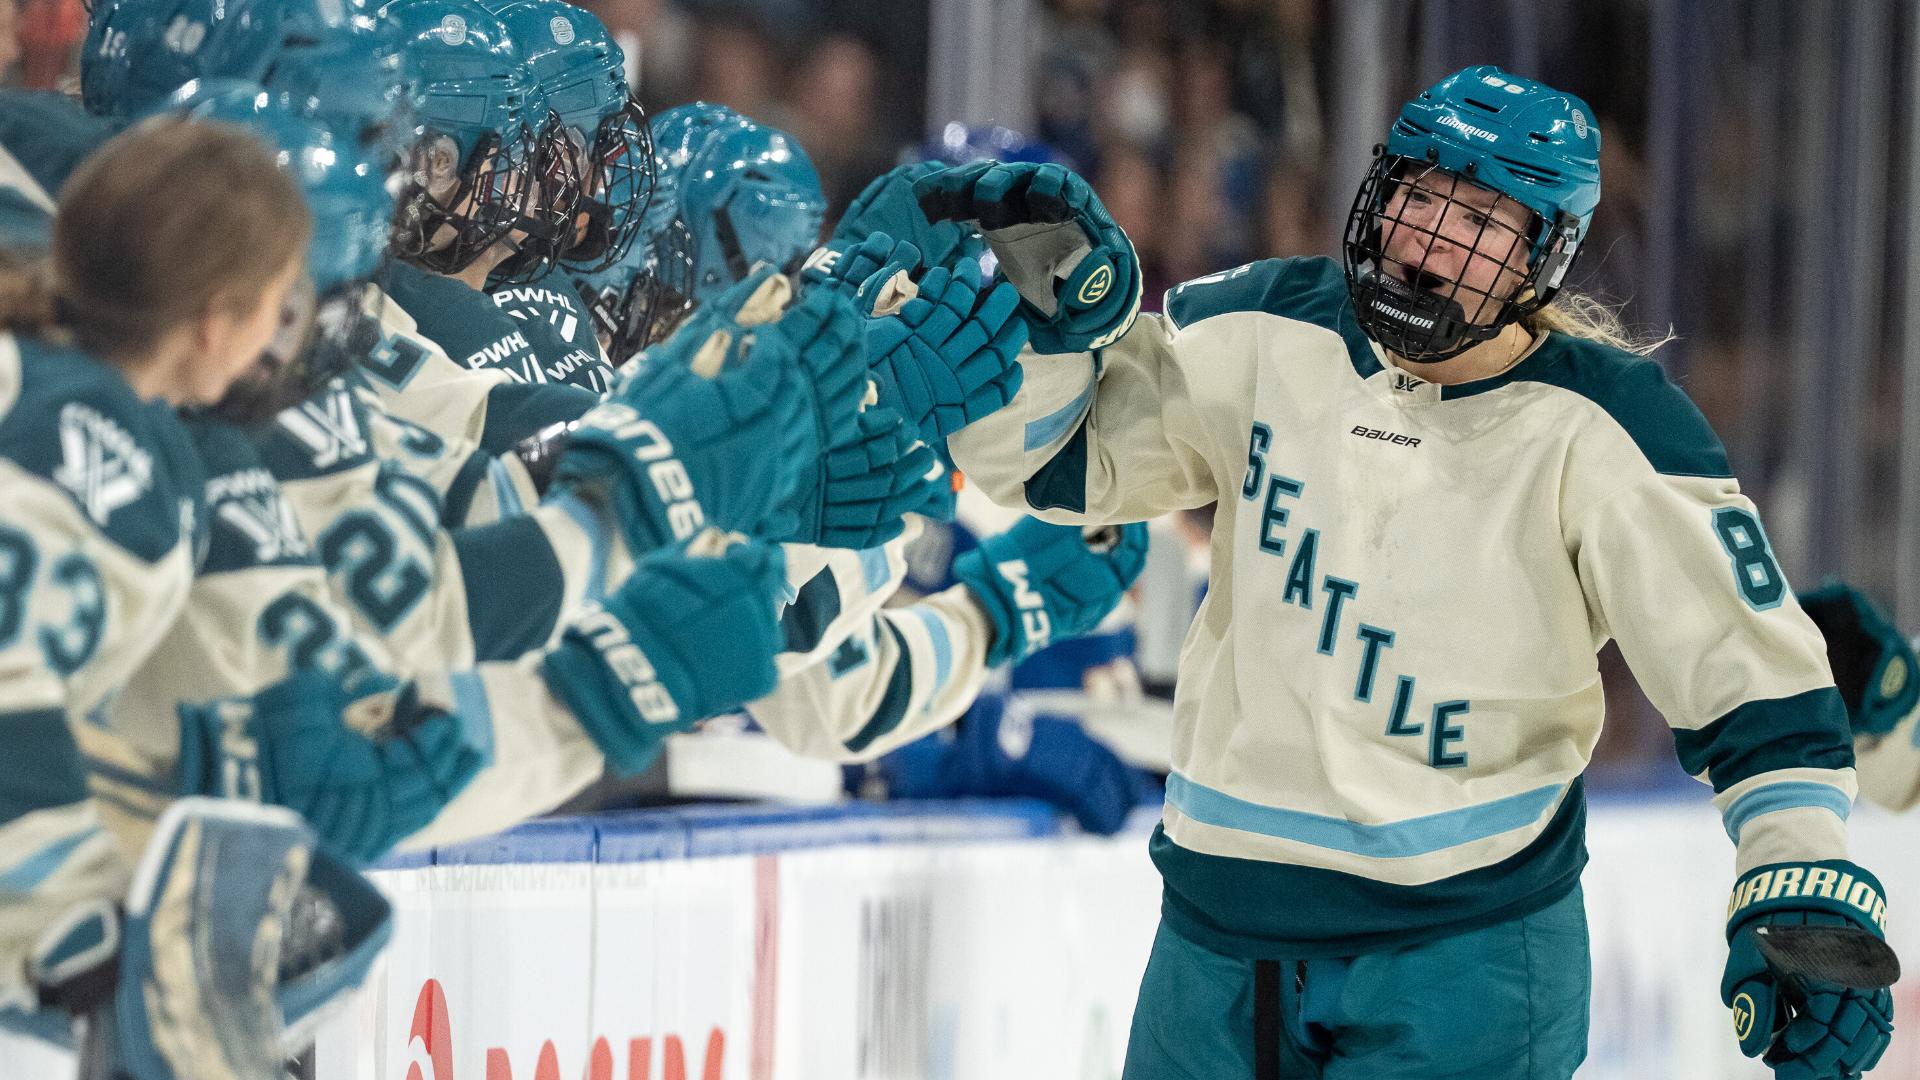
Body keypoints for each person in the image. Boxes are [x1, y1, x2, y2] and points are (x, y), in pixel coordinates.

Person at [933, 65, 1893, 1079]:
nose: (1432, 238)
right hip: (1217, 940)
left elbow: (1755, 682)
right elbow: (1056, 459)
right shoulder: (1269, 327)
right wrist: (1035, 325)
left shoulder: (1610, 428)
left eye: (1481, 219)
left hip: (1464, 959)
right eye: (1420, 196)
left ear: (1543, 255)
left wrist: (1799, 874)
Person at [0, 115, 470, 1069]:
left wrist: (192, 769)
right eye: (274, 303)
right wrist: (79, 937)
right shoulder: (108, 447)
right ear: (215, 321)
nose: (284, 333)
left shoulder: (51, 373)